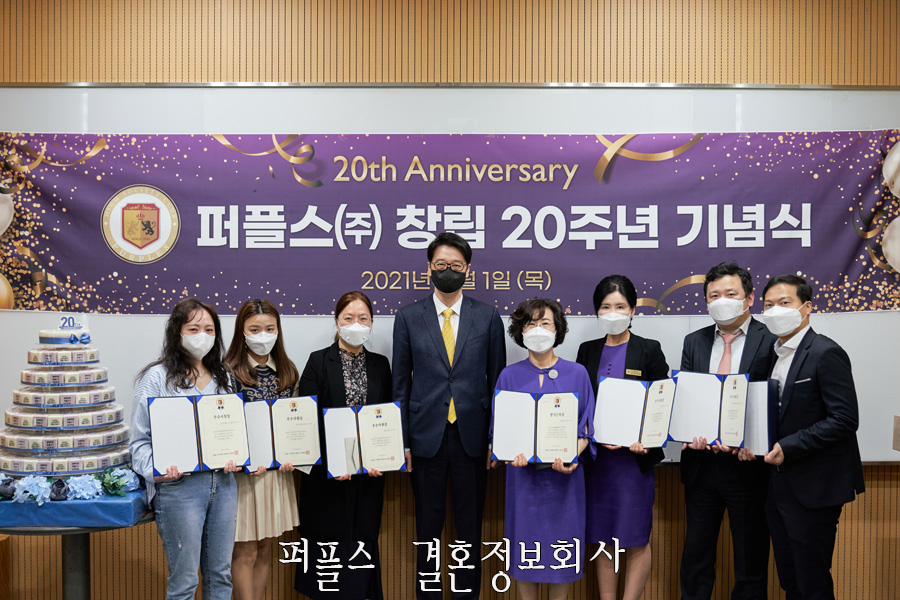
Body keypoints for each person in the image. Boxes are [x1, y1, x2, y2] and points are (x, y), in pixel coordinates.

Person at [392, 231, 506, 600]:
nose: (448, 270)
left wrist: (496, 439)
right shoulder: (408, 317)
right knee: (427, 529)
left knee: (469, 530)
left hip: (473, 438)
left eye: (456, 265)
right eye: (441, 264)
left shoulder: (488, 316)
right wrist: (402, 442)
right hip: (425, 439)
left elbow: (498, 384)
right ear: (429, 267)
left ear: (467, 269)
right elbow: (400, 385)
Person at [760, 274, 864, 599]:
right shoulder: (773, 355)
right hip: (778, 485)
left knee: (812, 581)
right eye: (768, 305)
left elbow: (844, 419)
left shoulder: (825, 352)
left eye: (784, 303)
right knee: (790, 579)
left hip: (816, 486)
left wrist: (789, 446)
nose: (775, 311)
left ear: (806, 307)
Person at [678, 262, 776, 600]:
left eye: (730, 294)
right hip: (702, 466)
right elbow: (687, 395)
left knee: (750, 560)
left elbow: (775, 400)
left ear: (749, 298)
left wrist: (757, 442)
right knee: (696, 557)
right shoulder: (694, 341)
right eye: (714, 295)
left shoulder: (771, 339)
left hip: (748, 467)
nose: (722, 301)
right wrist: (688, 430)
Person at [130, 297, 239, 600]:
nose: (202, 335)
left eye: (209, 329)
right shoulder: (156, 378)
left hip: (224, 485)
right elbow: (138, 442)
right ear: (177, 333)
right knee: (185, 581)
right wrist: (157, 470)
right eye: (193, 329)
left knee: (221, 575)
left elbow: (231, 432)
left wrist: (236, 456)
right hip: (180, 489)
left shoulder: (224, 376)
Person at [492, 298, 594, 600]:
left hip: (565, 482)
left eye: (545, 323)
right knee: (527, 552)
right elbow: (500, 429)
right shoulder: (508, 375)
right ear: (521, 331)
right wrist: (509, 453)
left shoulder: (577, 373)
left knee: (562, 554)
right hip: (523, 481)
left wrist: (573, 456)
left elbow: (587, 427)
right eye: (530, 324)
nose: (538, 330)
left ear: (557, 329)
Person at [575, 275, 668, 600]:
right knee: (602, 538)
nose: (612, 313)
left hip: (632, 463)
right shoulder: (587, 350)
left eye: (620, 306)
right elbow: (581, 403)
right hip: (597, 462)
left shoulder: (649, 349)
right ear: (596, 311)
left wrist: (646, 439)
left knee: (635, 538)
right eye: (605, 307)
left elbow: (661, 403)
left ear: (632, 310)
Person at [295, 291, 392, 599]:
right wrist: (334, 462)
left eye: (363, 318)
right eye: (348, 318)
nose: (356, 324)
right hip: (327, 478)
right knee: (326, 553)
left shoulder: (380, 365)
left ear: (372, 323)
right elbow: (307, 421)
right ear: (336, 322)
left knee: (360, 549)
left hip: (367, 478)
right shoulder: (318, 361)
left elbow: (387, 418)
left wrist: (384, 458)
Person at [224, 299, 300, 600]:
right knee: (245, 551)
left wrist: (295, 453)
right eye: (254, 329)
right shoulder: (227, 372)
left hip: (276, 475)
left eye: (269, 328)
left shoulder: (288, 370)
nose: (263, 335)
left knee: (266, 547)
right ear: (241, 332)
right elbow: (222, 427)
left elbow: (296, 425)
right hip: (242, 478)